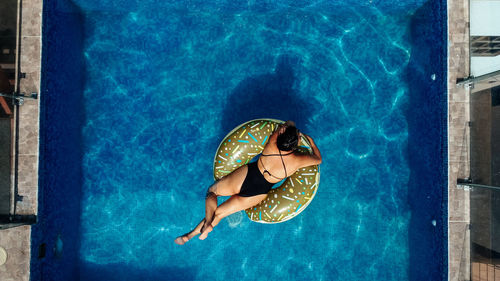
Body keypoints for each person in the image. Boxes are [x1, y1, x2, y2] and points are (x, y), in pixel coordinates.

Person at [174, 120, 322, 244]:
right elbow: (318, 159)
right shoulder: (297, 161)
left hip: (248, 174)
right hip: (259, 192)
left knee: (212, 191)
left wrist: (291, 130)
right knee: (219, 214)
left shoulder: (273, 141)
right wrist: (312, 143)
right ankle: (192, 234)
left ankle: (203, 225)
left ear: (281, 135)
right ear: (295, 145)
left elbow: (289, 123)